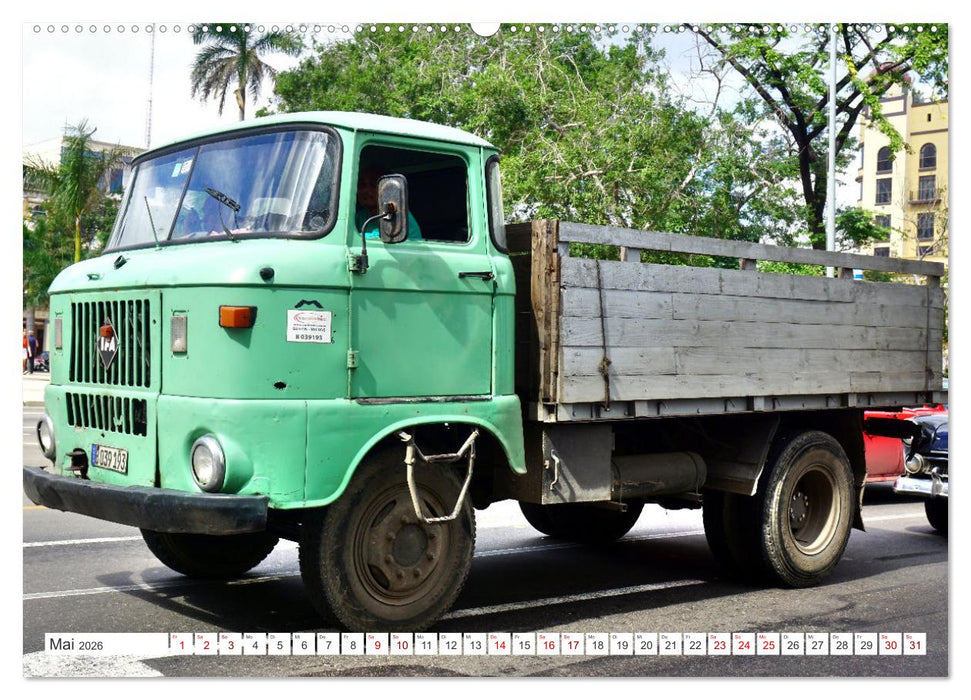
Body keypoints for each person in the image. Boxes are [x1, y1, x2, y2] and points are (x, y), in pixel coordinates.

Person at [355, 166, 422, 241]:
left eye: (373, 185)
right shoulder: (361, 216)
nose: (366, 190)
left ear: (388, 188)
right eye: (362, 185)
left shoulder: (398, 213)